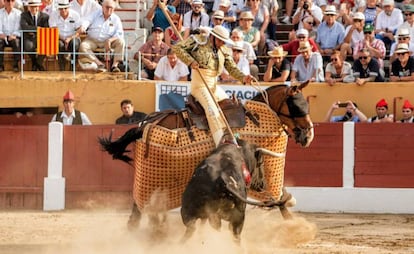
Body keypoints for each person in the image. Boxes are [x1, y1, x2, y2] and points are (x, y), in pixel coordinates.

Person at [172, 25, 253, 146]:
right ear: (213, 37)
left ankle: (231, 134)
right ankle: (220, 143)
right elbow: (177, 48)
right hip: (199, 85)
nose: (221, 43)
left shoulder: (224, 50)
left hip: (214, 86)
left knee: (230, 106)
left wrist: (243, 77)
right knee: (212, 111)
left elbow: (231, 68)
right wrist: (190, 61)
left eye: (223, 41)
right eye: (220, 40)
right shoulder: (198, 41)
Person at [78, 0, 125, 73]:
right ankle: (99, 64)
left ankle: (115, 65)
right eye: (107, 7)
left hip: (107, 41)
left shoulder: (116, 19)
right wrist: (83, 27)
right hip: (92, 40)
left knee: (121, 42)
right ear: (102, 7)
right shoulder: (95, 14)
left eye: (111, 8)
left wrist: (110, 40)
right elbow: (87, 20)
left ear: (114, 9)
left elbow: (119, 33)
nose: (109, 9)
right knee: (83, 46)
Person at [49, 0, 81, 71]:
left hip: (73, 37)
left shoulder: (75, 15)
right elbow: (53, 31)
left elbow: (79, 30)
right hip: (59, 38)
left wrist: (69, 38)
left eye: (65, 8)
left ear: (68, 7)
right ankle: (62, 69)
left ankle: (73, 68)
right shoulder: (53, 15)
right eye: (61, 8)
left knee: (74, 44)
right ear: (58, 9)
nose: (63, 10)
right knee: (59, 45)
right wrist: (64, 40)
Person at [20, 0, 49, 71]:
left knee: (48, 44)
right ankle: (35, 62)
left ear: (38, 7)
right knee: (28, 46)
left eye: (35, 7)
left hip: (41, 38)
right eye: (32, 7)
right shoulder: (24, 15)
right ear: (29, 7)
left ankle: (38, 63)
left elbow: (46, 29)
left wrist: (32, 30)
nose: (34, 9)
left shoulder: (45, 16)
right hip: (29, 38)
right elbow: (24, 27)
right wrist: (38, 29)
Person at [0, 0, 21, 72]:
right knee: (0, 42)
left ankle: (16, 65)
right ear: (4, 2)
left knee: (16, 43)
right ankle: (0, 66)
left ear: (14, 2)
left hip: (14, 36)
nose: (10, 3)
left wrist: (14, 35)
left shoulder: (18, 13)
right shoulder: (0, 13)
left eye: (12, 1)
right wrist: (1, 34)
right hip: (2, 36)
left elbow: (18, 28)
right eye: (8, 1)